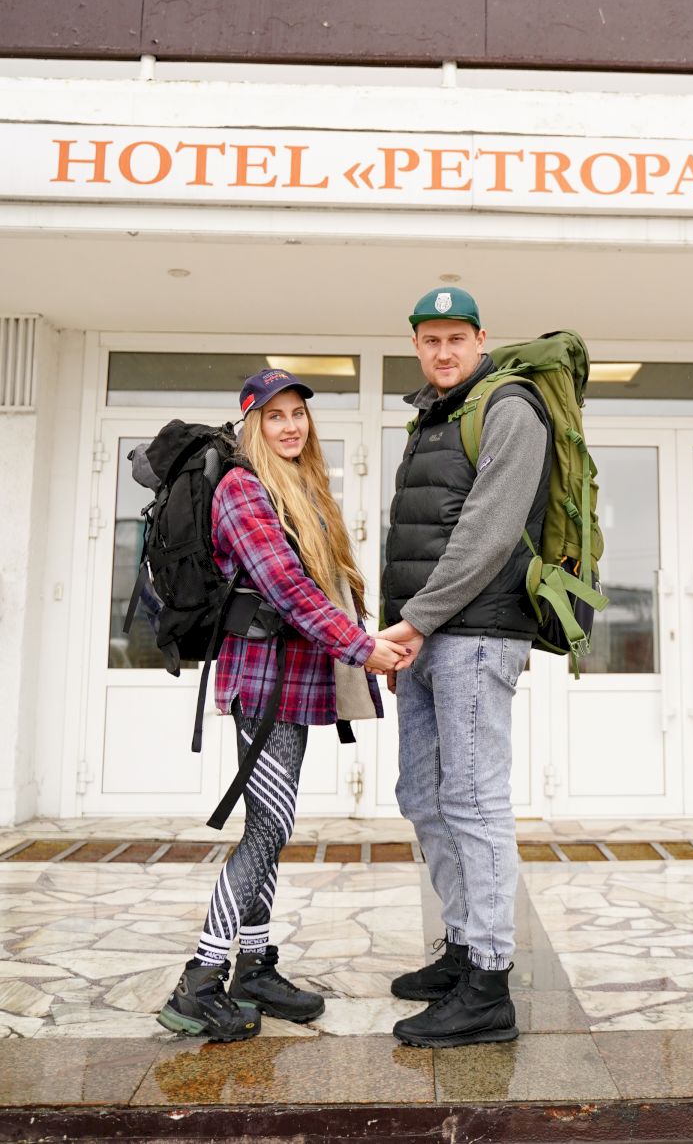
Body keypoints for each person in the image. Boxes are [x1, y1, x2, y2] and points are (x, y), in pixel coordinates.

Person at [157, 368, 410, 1044]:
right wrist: (363, 649)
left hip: (295, 683)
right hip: (263, 685)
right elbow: (289, 589)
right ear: (253, 425)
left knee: (271, 825)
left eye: (298, 413)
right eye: (275, 416)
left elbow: (327, 586)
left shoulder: (299, 486)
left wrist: (369, 639)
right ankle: (199, 981)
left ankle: (255, 967)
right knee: (268, 827)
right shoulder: (243, 490)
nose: (291, 425)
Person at [381, 289, 552, 1048]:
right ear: (417, 346)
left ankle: (488, 983)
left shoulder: (509, 408)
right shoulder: (433, 416)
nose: (443, 351)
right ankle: (461, 946)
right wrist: (405, 632)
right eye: (430, 340)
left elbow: (487, 533)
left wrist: (414, 621)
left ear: (482, 338)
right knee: (422, 794)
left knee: (475, 801)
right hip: (425, 637)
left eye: (456, 338)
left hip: (476, 634)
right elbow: (414, 535)